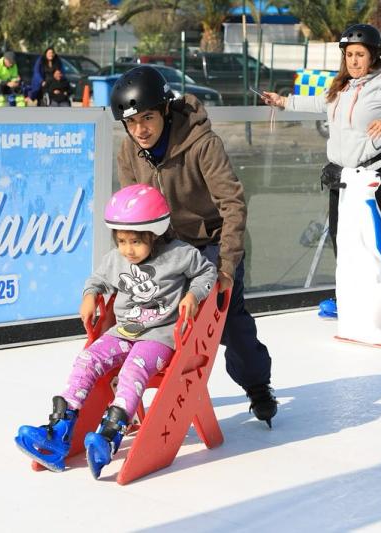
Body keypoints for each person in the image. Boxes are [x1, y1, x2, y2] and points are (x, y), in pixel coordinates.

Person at [109, 65, 279, 428]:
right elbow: (134, 209)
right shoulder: (129, 149)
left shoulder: (202, 143)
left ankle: (257, 384)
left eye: (148, 118)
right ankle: (128, 392)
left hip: (214, 243)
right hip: (167, 247)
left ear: (165, 110)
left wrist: (227, 270)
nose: (140, 129)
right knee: (144, 313)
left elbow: (233, 204)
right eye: (132, 122)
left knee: (227, 321)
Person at [15, 184, 217, 479]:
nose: (127, 249)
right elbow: (97, 279)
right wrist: (89, 295)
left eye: (135, 241)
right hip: (123, 331)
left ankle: (110, 435)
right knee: (87, 360)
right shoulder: (116, 259)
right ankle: (58, 430)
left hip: (160, 336)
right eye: (121, 241)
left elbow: (207, 272)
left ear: (156, 233)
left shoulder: (179, 255)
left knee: (132, 372)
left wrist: (194, 295)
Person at [261, 24, 381, 318]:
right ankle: (347, 296)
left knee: (366, 236)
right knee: (339, 234)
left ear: (373, 56)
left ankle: (374, 300)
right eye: (349, 55)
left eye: (360, 54)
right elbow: (321, 103)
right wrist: (283, 102)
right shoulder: (342, 85)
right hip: (343, 174)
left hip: (376, 171)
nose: (354, 61)